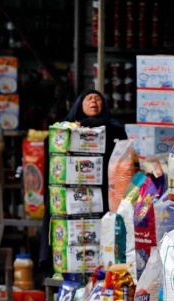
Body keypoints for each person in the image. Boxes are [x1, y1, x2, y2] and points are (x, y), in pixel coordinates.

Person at [39, 89, 128, 276]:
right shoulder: (67, 128)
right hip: (71, 195)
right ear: (79, 104)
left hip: (103, 194)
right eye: (89, 98)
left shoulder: (113, 128)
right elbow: (53, 145)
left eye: (98, 98)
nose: (94, 101)